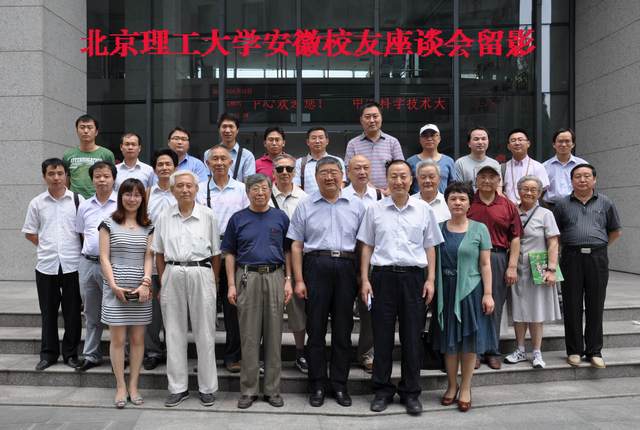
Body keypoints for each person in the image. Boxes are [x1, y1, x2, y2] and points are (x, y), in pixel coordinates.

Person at [358, 160, 444, 416]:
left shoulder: (423, 209)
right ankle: (382, 390)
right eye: (393, 176)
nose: (398, 181)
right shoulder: (374, 209)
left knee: (412, 338)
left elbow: (430, 246)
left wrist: (430, 279)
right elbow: (367, 246)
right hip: (382, 278)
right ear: (386, 179)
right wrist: (365, 279)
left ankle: (411, 392)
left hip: (413, 279)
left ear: (411, 179)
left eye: (403, 176)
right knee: (382, 337)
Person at [288, 157, 365, 408]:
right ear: (316, 177)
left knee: (343, 330)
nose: (329, 177)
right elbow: (296, 245)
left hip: (346, 266)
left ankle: (340, 384)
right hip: (315, 266)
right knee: (316, 329)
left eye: (334, 172)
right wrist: (299, 279)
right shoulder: (305, 205)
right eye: (324, 172)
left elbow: (364, 245)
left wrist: (362, 277)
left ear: (343, 175)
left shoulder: (357, 205)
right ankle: (317, 384)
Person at [223, 174, 293, 409]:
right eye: (255, 188)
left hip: (275, 276)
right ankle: (249, 389)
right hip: (247, 277)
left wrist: (288, 280)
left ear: (270, 190)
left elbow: (288, 251)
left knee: (274, 335)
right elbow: (229, 253)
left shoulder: (280, 217)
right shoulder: (238, 219)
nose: (260, 192)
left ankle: (272, 390)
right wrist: (231, 284)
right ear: (247, 192)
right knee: (249, 336)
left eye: (264, 188)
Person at [153, 170, 221, 408]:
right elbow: (158, 252)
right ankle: (177, 388)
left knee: (205, 333)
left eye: (189, 186)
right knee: (173, 332)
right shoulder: (164, 216)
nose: (184, 190)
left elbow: (216, 254)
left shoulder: (208, 215)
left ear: (196, 188)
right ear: (172, 190)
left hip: (201, 272)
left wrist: (213, 281)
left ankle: (207, 387)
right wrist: (163, 281)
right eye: (179, 186)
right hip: (172, 272)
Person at [432, 181, 496, 413]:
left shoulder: (480, 229)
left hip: (471, 291)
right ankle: (451, 385)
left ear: (470, 203)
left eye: (462, 199)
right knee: (449, 342)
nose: (457, 203)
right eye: (453, 198)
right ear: (447, 202)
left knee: (468, 342)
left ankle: (466, 387)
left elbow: (485, 264)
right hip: (445, 291)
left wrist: (488, 294)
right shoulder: (438, 228)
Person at [553, 164, 622, 368]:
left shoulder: (606, 202)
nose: (582, 180)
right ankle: (574, 350)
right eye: (577, 176)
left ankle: (594, 351)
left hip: (597, 258)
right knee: (571, 304)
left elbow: (615, 231)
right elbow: (555, 234)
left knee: (595, 304)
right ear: (571, 180)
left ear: (594, 179)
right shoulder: (562, 204)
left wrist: (599, 247)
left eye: (586, 176)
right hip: (571, 258)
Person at [22, 158, 83, 371]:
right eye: (51, 174)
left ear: (66, 175)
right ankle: (48, 354)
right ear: (44, 176)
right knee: (48, 312)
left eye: (60, 173)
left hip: (73, 265)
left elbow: (85, 231)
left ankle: (71, 354)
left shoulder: (78, 200)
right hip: (46, 265)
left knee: (72, 313)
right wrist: (46, 245)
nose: (56, 178)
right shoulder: (37, 203)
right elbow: (30, 232)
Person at [98, 178, 153, 408]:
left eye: (137, 195)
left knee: (138, 340)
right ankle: (120, 386)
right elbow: (104, 257)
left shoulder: (149, 225)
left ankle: (134, 385)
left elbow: (149, 256)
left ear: (143, 198)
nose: (132, 199)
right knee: (118, 340)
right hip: (115, 288)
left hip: (141, 289)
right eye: (128, 194)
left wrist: (146, 282)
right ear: (121, 197)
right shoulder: (108, 223)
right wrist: (113, 285)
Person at [197, 144, 249, 373]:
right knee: (205, 308)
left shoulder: (242, 189)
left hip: (233, 254)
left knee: (233, 307)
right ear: (207, 163)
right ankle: (205, 359)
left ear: (230, 162)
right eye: (214, 159)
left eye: (223, 158)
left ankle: (233, 355)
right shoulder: (198, 189)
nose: (219, 162)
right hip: (204, 252)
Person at [503, 176, 562, 369]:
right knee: (519, 311)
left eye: (533, 190)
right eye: (525, 189)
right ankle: (520, 349)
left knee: (537, 311)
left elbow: (553, 242)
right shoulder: (511, 211)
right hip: (515, 268)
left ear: (539, 193)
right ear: (518, 190)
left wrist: (551, 269)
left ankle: (537, 352)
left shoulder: (546, 214)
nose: (528, 193)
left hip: (538, 268)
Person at [467, 165, 522, 370]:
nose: (487, 181)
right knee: (473, 304)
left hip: (498, 257)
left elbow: (515, 238)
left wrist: (512, 266)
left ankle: (492, 350)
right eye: (482, 177)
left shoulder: (507, 205)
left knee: (494, 306)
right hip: (471, 258)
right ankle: (475, 351)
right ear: (476, 180)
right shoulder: (468, 202)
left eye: (492, 177)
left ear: (499, 181)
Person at [75, 161, 118, 372]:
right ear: (92, 180)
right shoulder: (84, 205)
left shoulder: (121, 203)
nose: (102, 180)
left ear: (114, 179)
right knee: (91, 312)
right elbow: (83, 233)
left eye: (106, 176)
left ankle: (121, 354)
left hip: (113, 264)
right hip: (88, 264)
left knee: (116, 311)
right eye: (97, 176)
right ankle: (91, 354)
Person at [269, 154, 309, 373]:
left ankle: (300, 352)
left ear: (295, 172)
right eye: (280, 169)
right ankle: (267, 355)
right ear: (273, 172)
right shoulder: (264, 195)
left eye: (289, 169)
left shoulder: (305, 198)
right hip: (269, 260)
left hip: (297, 261)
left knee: (297, 310)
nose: (284, 173)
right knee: (268, 311)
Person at [341, 155, 380, 374]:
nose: (362, 172)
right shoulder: (341, 195)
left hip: (371, 258)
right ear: (348, 172)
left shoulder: (379, 196)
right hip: (346, 258)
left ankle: (367, 352)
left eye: (366, 167)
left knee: (369, 309)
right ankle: (342, 351)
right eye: (357, 168)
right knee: (343, 309)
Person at [142, 149, 178, 370]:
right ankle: (153, 351)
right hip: (152, 259)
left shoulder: (182, 191)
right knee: (152, 310)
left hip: (177, 258)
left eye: (168, 164)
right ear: (154, 169)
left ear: (175, 167)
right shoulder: (147, 194)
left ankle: (175, 351)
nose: (164, 168)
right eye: (160, 164)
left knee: (174, 309)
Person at [344, 102, 404, 192]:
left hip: (389, 193)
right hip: (363, 194)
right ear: (361, 120)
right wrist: (372, 190)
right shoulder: (353, 144)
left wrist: (390, 189)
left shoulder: (392, 142)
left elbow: (401, 169)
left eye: (375, 116)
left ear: (381, 118)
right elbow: (348, 171)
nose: (372, 120)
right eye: (367, 117)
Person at [63, 114, 115, 198]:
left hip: (99, 199)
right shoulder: (68, 154)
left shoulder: (107, 154)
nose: (86, 131)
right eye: (82, 127)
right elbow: (66, 180)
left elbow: (112, 179)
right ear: (77, 131)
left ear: (96, 132)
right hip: (75, 200)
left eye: (90, 127)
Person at [203, 112, 256, 182]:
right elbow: (207, 180)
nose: (227, 130)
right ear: (219, 130)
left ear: (237, 130)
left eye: (231, 126)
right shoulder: (209, 153)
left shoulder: (247, 156)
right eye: (224, 126)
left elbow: (249, 184)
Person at [501, 129, 550, 204]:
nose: (517, 143)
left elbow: (542, 190)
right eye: (513, 140)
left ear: (528, 144)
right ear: (508, 146)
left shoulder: (538, 167)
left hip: (532, 209)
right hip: (509, 209)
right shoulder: (502, 168)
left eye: (520, 140)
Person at [542, 128, 587, 209]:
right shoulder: (544, 167)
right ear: (554, 144)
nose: (563, 144)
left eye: (567, 141)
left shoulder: (583, 165)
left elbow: (589, 187)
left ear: (573, 144)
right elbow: (539, 191)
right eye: (560, 141)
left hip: (576, 206)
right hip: (551, 207)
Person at [293, 127, 346, 194]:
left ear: (327, 141)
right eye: (314, 138)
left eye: (321, 138)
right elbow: (296, 186)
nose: (317, 141)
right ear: (308, 142)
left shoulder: (337, 160)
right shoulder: (299, 163)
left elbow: (341, 183)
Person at [406, 124, 455, 194]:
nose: (429, 139)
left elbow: (453, 186)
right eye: (425, 136)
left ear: (439, 138)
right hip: (417, 200)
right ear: (420, 140)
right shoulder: (410, 162)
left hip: (442, 200)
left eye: (433, 135)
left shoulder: (449, 161)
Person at [412, 159, 451, 223]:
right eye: (423, 177)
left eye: (431, 177)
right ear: (417, 179)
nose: (427, 181)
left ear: (439, 179)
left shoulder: (448, 203)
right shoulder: (410, 202)